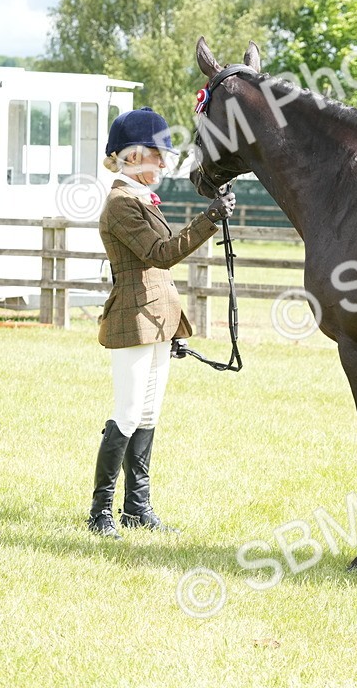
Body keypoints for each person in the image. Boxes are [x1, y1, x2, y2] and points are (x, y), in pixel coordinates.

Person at [86, 107, 235, 538]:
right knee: (128, 413)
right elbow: (161, 254)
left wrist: (170, 328)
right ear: (132, 157)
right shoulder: (119, 203)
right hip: (134, 320)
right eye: (158, 155)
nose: (165, 163)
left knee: (148, 414)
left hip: (157, 320)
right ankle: (100, 513)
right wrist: (209, 218)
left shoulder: (138, 198)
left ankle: (137, 507)